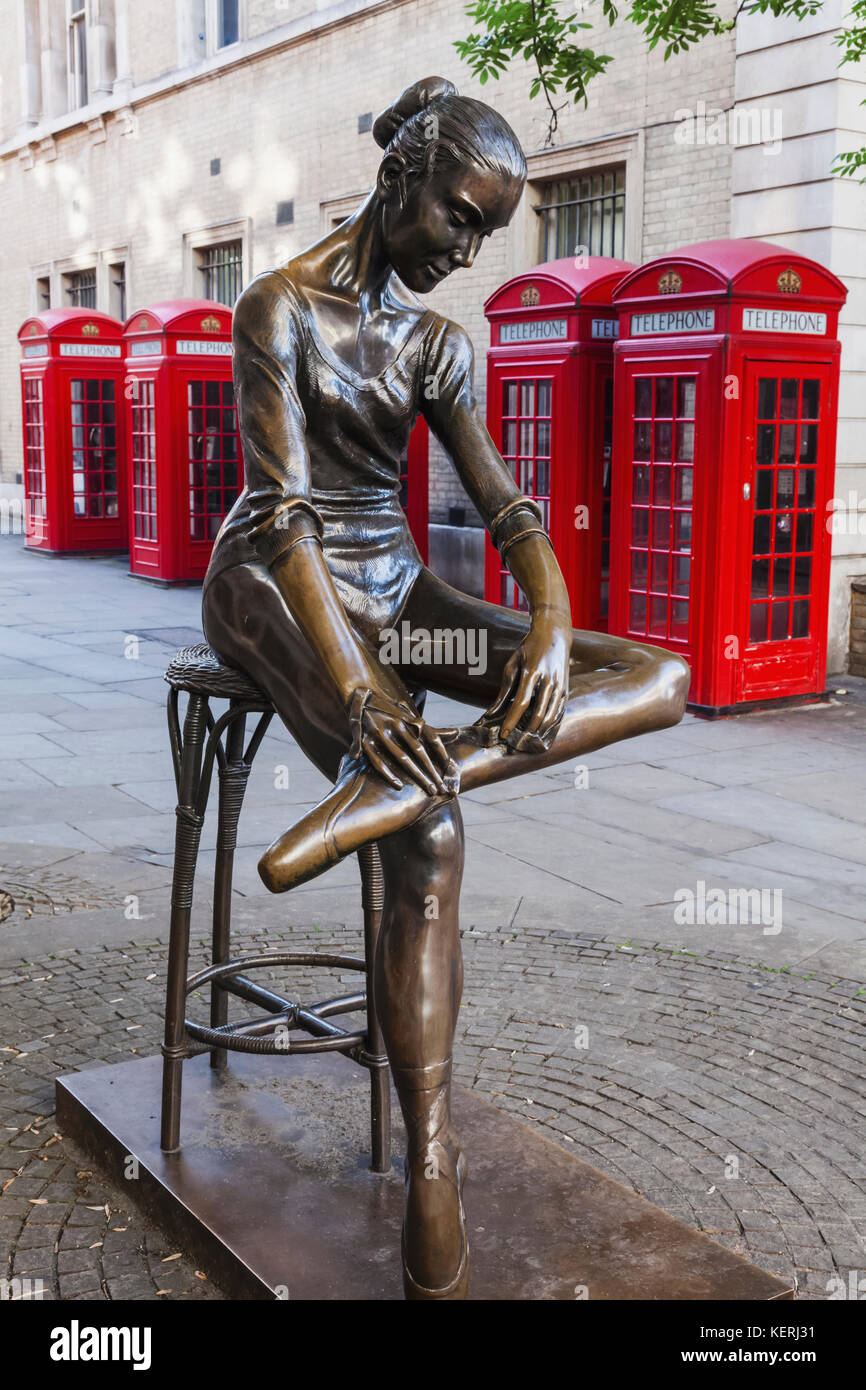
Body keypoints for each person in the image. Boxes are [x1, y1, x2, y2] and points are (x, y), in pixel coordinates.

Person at [202, 76, 690, 1300]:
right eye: (460, 219)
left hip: (396, 585)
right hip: (276, 582)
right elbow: (286, 514)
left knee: (658, 674)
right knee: (430, 832)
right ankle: (430, 1157)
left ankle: (383, 795)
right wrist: (364, 694)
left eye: (488, 232)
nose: (467, 252)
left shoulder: (434, 343)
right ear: (397, 180)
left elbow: (506, 505)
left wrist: (545, 624)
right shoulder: (274, 309)